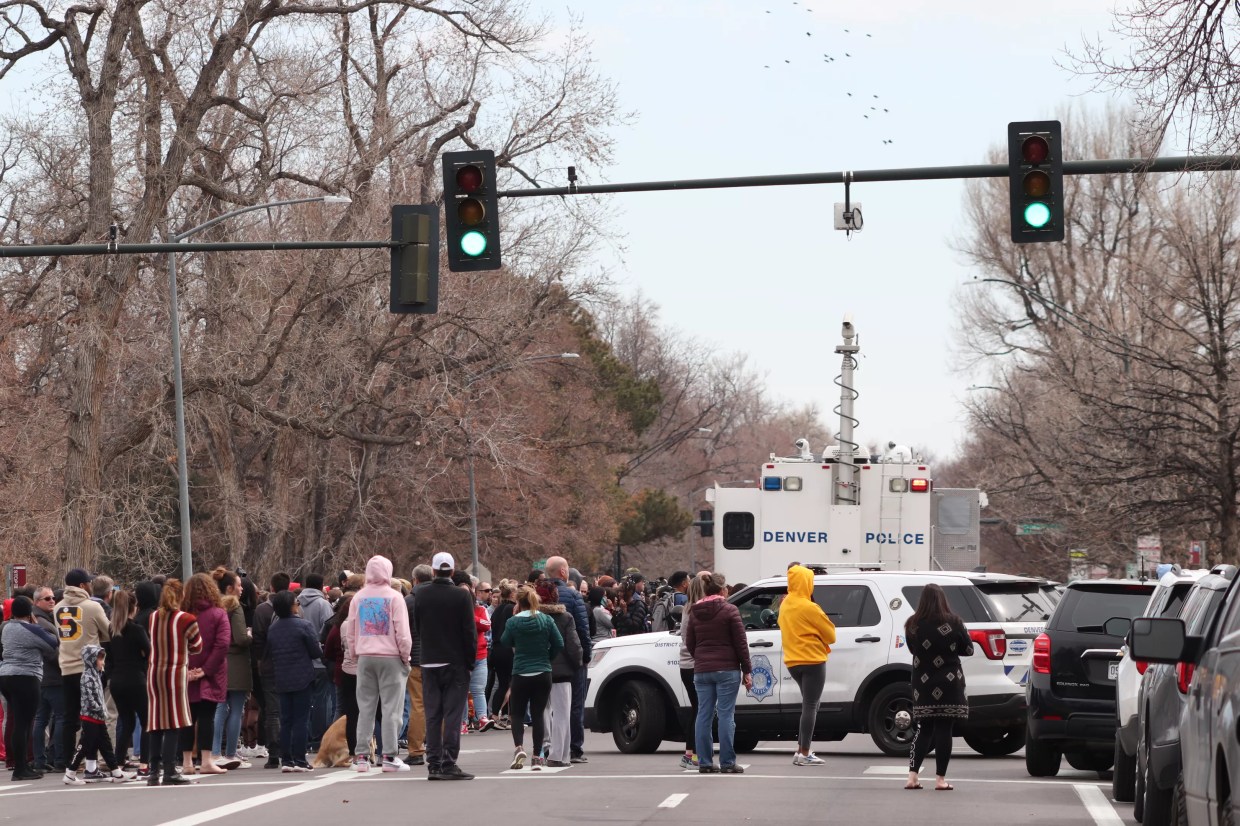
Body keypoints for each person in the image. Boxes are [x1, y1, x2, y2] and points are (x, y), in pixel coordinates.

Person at [412, 552, 477, 781]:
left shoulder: (421, 594)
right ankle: (449, 762)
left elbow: (419, 625)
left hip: (429, 659)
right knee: (452, 714)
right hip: (455, 661)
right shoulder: (461, 596)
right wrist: (470, 662)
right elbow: (469, 632)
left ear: (433, 570)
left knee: (432, 713)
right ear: (451, 570)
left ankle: (434, 763)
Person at [345, 554, 412, 773]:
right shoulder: (394, 597)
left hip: (365, 657)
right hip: (391, 657)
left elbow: (352, 630)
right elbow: (402, 632)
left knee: (365, 708)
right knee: (391, 708)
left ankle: (362, 756)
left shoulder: (358, 598)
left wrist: (355, 655)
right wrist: (405, 657)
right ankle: (390, 756)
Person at [905, 583, 973, 791]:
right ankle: (940, 780)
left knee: (924, 728)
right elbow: (968, 649)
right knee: (944, 729)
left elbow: (911, 649)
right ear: (943, 600)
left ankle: (912, 776)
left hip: (922, 682)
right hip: (949, 681)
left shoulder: (912, 624)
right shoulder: (954, 622)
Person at [685, 571, 752, 774]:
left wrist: (702, 658)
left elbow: (690, 642)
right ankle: (727, 762)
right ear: (723, 590)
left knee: (703, 715)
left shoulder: (694, 611)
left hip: (702, 670)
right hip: (727, 669)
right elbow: (741, 643)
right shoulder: (730, 610)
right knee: (725, 715)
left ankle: (704, 762)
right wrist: (746, 670)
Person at [54, 568, 111, 784]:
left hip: (66, 667)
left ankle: (68, 761)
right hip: (89, 668)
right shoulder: (92, 606)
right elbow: (107, 632)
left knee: (70, 718)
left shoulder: (58, 607)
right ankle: (90, 764)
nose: (89, 585)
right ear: (81, 586)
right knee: (93, 717)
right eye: (87, 582)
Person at [146, 578, 202, 787]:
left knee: (156, 722)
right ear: (181, 597)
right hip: (175, 673)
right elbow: (197, 645)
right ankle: (169, 770)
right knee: (173, 722)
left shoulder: (153, 617)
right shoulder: (186, 619)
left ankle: (153, 771)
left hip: (154, 673)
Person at [499, 585, 562, 770]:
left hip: (521, 671)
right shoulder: (546, 620)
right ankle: (537, 756)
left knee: (517, 713)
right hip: (543, 671)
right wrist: (547, 658)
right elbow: (559, 643)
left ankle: (519, 747)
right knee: (538, 714)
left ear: (518, 602)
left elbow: (504, 641)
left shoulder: (513, 622)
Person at [779, 564, 837, 766]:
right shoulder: (810, 607)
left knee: (808, 704)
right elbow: (831, 635)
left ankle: (800, 749)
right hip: (812, 659)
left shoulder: (785, 604)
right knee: (811, 705)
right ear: (806, 583)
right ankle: (804, 752)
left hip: (792, 661)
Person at [0, 595, 59, 780]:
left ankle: (20, 765)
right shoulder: (31, 628)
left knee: (17, 720)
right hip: (26, 677)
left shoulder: (6, 627)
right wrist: (35, 623)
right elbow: (52, 642)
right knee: (25, 723)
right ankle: (21, 768)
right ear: (30, 612)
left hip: (6, 676)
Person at [266, 591, 322, 773]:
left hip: (282, 678)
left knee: (286, 720)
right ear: (292, 606)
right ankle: (299, 759)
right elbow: (315, 651)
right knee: (301, 720)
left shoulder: (273, 628)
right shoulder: (304, 625)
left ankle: (287, 760)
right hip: (302, 677)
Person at [180, 572, 230, 775]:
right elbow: (223, 643)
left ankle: (186, 762)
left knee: (186, 718)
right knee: (207, 717)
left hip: (186, 671)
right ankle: (207, 760)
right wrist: (206, 669)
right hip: (211, 672)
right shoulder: (219, 613)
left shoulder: (182, 615)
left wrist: (186, 669)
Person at [65, 645, 136, 784]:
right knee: (85, 745)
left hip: (97, 717)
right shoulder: (87, 677)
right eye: (100, 659)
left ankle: (112, 772)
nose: (103, 662)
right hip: (91, 717)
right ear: (91, 660)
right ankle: (70, 773)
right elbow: (90, 698)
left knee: (105, 745)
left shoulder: (96, 675)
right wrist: (101, 710)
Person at [544, 556, 590, 764]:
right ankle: (573, 748)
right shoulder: (572, 596)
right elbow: (582, 629)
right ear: (563, 572)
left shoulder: (537, 595)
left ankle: (546, 746)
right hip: (569, 658)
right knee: (573, 705)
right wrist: (585, 656)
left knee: (544, 707)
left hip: (542, 658)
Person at [537, 580, 582, 769]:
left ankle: (544, 747)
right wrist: (577, 663)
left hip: (537, 669)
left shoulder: (533, 617)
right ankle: (560, 754)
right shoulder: (565, 617)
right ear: (555, 596)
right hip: (561, 672)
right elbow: (573, 645)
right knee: (562, 713)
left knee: (542, 711)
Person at [211, 568, 251, 770]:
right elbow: (241, 638)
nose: (241, 588)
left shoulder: (213, 605)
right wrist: (250, 635)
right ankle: (230, 752)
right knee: (236, 709)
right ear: (230, 588)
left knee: (219, 707)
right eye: (239, 585)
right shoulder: (235, 607)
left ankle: (215, 751)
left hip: (218, 661)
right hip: (236, 662)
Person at [106, 589, 150, 773]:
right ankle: (145, 763)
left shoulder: (111, 629)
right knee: (146, 721)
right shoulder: (136, 629)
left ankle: (119, 761)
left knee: (127, 721)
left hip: (116, 680)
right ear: (134, 607)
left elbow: (109, 657)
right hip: (135, 679)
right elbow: (149, 652)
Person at [251, 572, 291, 769]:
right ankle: (290, 750)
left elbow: (257, 639)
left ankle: (274, 752)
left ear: (272, 587)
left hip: (268, 664)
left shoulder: (261, 610)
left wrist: (261, 658)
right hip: (289, 665)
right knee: (291, 709)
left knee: (272, 710)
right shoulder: (295, 609)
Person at [296, 572, 335, 750]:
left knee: (305, 701)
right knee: (321, 701)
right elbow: (328, 629)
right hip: (319, 659)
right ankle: (318, 738)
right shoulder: (323, 604)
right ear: (321, 586)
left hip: (302, 660)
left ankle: (305, 736)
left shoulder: (296, 603)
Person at [453, 572, 493, 733]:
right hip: (460, 656)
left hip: (480, 655)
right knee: (462, 690)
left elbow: (486, 625)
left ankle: (482, 717)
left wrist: (470, 617)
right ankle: (462, 722)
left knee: (478, 689)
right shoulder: (452, 611)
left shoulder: (480, 610)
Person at [30, 586, 64, 773]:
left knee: (41, 718)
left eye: (52, 598)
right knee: (59, 717)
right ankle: (57, 758)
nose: (52, 600)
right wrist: (65, 663)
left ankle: (42, 759)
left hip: (43, 677)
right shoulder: (42, 622)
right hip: (52, 678)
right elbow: (51, 651)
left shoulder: (42, 619)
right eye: (47, 598)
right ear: (37, 602)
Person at [401, 563, 432, 766]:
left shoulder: (408, 601)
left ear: (415, 580)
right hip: (439, 656)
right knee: (439, 703)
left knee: (417, 705)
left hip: (416, 658)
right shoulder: (440, 599)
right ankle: (439, 746)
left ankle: (416, 750)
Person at [675, 573, 705, 769]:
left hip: (687, 665)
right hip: (693, 664)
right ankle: (693, 754)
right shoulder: (696, 610)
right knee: (700, 710)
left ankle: (690, 753)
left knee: (697, 709)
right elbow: (692, 640)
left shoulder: (688, 609)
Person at [323, 595, 358, 754]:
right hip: (353, 670)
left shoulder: (337, 626)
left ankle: (336, 742)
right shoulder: (353, 625)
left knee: (341, 708)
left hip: (340, 671)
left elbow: (327, 650)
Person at [486, 580, 517, 729]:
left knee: (502, 684)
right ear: (512, 594)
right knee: (511, 684)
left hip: (496, 649)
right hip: (508, 650)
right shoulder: (512, 609)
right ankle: (505, 716)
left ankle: (497, 714)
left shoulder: (497, 610)